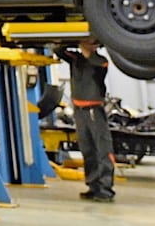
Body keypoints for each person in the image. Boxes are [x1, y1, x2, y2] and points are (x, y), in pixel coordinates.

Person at [59, 38, 116, 203]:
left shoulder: (101, 61)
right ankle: (93, 186)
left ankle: (106, 189)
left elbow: (98, 65)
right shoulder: (75, 59)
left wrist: (87, 50)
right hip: (79, 110)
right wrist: (73, 40)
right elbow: (58, 50)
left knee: (102, 148)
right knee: (87, 149)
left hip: (94, 110)